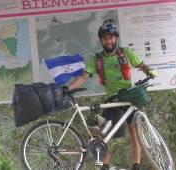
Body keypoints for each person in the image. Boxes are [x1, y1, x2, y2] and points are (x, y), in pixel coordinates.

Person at [68, 19, 157, 170]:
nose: (108, 41)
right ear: (101, 40)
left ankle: (136, 166)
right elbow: (84, 76)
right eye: (105, 38)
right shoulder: (97, 59)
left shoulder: (126, 53)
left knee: (135, 132)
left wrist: (149, 71)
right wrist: (69, 88)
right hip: (113, 100)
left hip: (129, 98)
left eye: (111, 38)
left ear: (115, 38)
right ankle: (105, 166)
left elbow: (141, 65)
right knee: (105, 134)